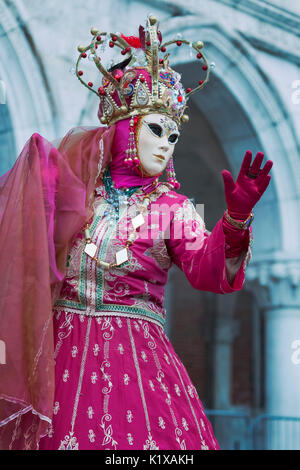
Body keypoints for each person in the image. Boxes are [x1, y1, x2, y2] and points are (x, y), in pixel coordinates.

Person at [0, 15, 272, 450]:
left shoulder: (174, 208)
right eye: (156, 130)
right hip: (60, 361)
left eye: (175, 136)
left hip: (138, 368)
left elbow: (210, 271)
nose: (166, 143)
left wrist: (235, 218)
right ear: (126, 130)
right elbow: (25, 257)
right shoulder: (76, 193)